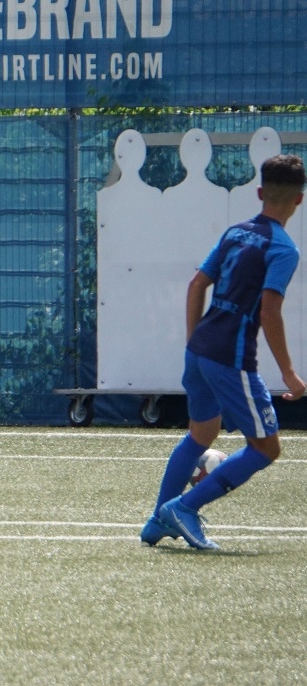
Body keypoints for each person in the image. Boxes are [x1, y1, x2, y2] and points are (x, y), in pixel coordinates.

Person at [141, 153, 307, 550]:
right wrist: (289, 373)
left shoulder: (235, 232)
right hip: (230, 358)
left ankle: (157, 521)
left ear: (260, 192)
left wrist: (194, 340)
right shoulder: (284, 249)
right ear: (299, 199)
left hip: (199, 350)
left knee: (201, 433)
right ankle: (184, 508)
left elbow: (197, 284)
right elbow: (269, 313)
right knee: (266, 447)